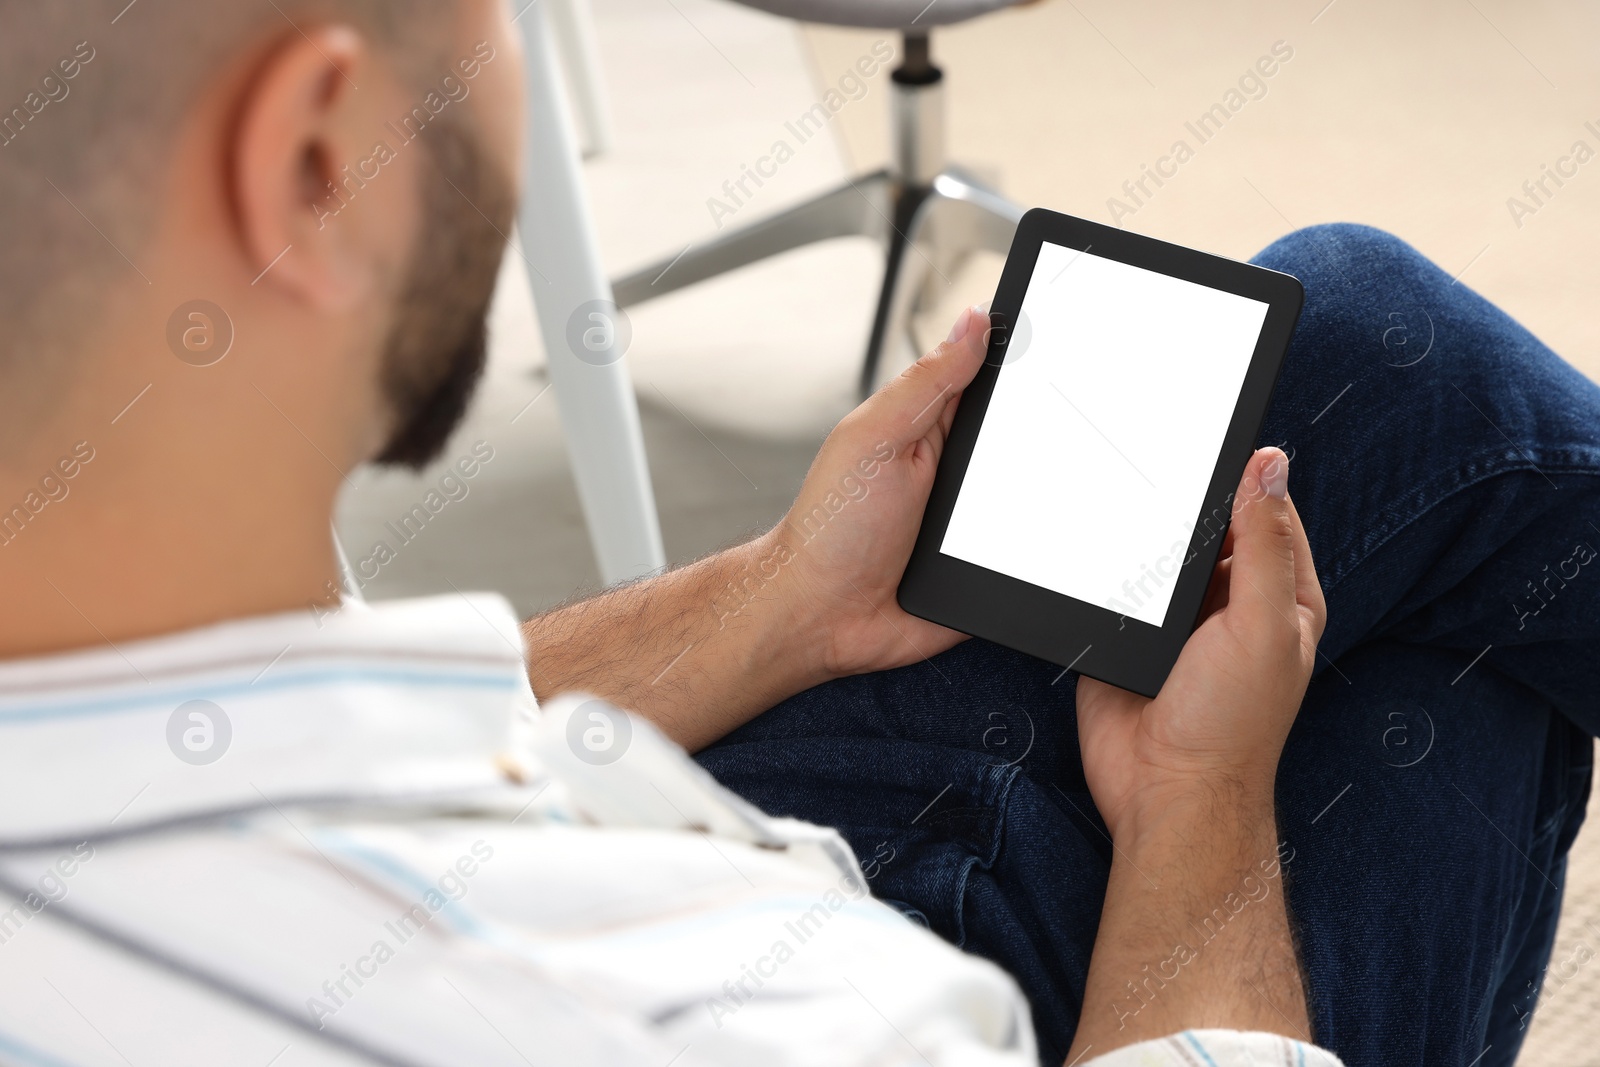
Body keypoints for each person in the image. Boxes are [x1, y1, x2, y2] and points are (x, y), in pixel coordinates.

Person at [0, 1, 1593, 1065]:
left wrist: (774, 599)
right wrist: (1198, 802)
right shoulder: (820, 1024)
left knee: (1359, 410)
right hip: (747, 923)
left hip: (568, 816)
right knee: (1418, 669)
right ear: (304, 158)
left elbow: (303, 714)